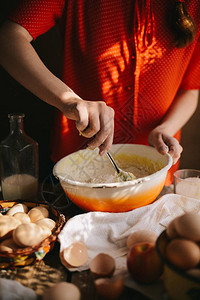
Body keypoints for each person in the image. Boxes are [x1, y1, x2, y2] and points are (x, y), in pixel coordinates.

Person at [0, 0, 199, 185]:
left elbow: (190, 89)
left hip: (156, 173)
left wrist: (166, 128)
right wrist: (68, 100)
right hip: (76, 170)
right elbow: (8, 38)